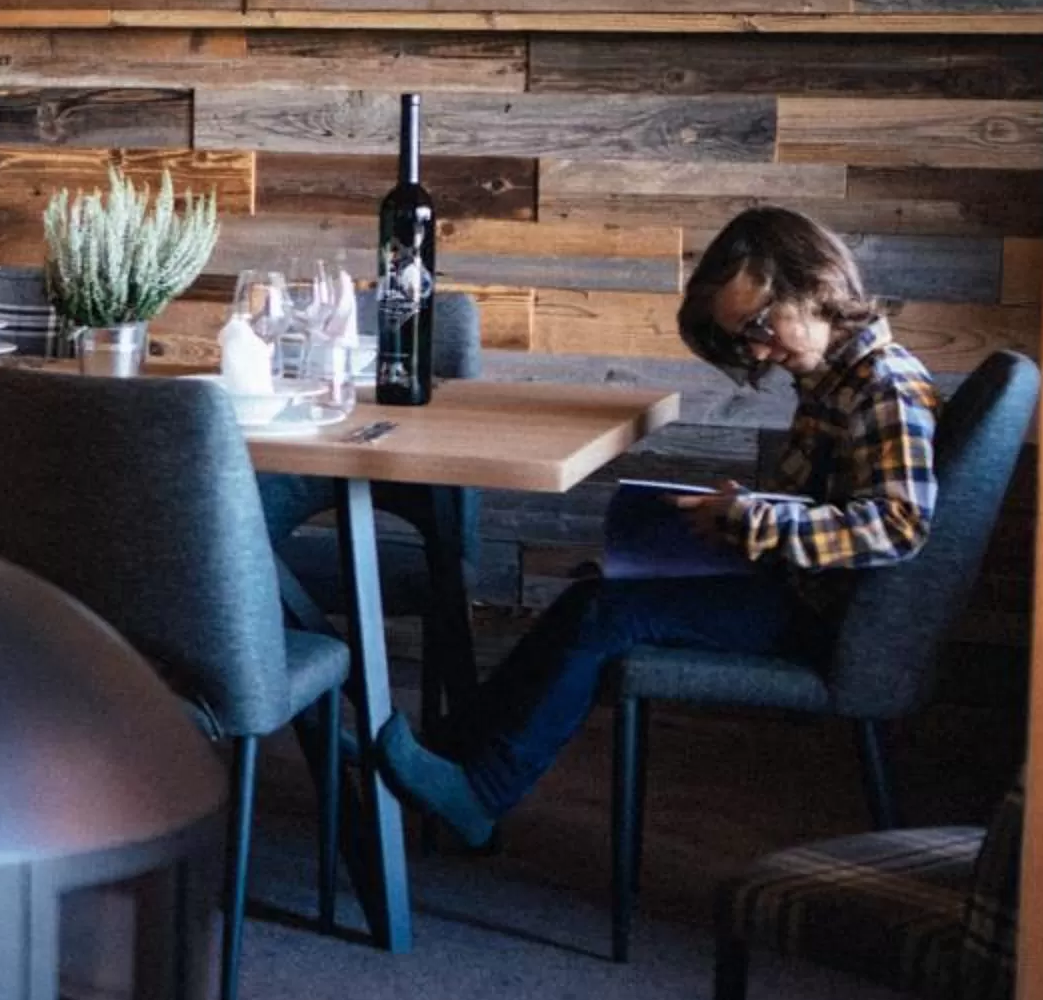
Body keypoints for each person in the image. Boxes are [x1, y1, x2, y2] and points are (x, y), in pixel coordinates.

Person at [374, 207, 940, 846]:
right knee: (593, 592)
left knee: (607, 617)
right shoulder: (834, 379)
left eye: (758, 326)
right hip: (793, 590)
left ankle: (480, 794)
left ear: (815, 284)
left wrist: (757, 518)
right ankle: (454, 750)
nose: (758, 350)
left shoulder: (885, 384)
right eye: (745, 338)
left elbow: (899, 524)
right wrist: (743, 513)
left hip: (818, 617)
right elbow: (830, 504)